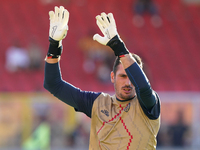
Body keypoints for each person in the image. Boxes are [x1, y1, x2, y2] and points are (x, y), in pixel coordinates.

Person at [44, 6, 161, 149]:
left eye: (132, 77)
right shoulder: (97, 104)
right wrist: (54, 45)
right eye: (123, 76)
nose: (128, 82)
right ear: (112, 77)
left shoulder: (148, 106)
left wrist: (117, 45)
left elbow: (144, 88)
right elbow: (53, 84)